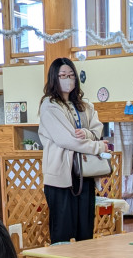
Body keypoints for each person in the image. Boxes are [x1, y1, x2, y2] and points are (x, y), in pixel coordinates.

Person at [38, 57, 110, 244]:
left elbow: (97, 130)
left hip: (85, 173)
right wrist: (98, 147)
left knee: (85, 231)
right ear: (54, 78)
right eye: (62, 75)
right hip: (61, 177)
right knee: (62, 231)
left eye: (71, 75)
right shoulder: (49, 106)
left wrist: (86, 133)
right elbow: (68, 140)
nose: (68, 79)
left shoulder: (85, 105)